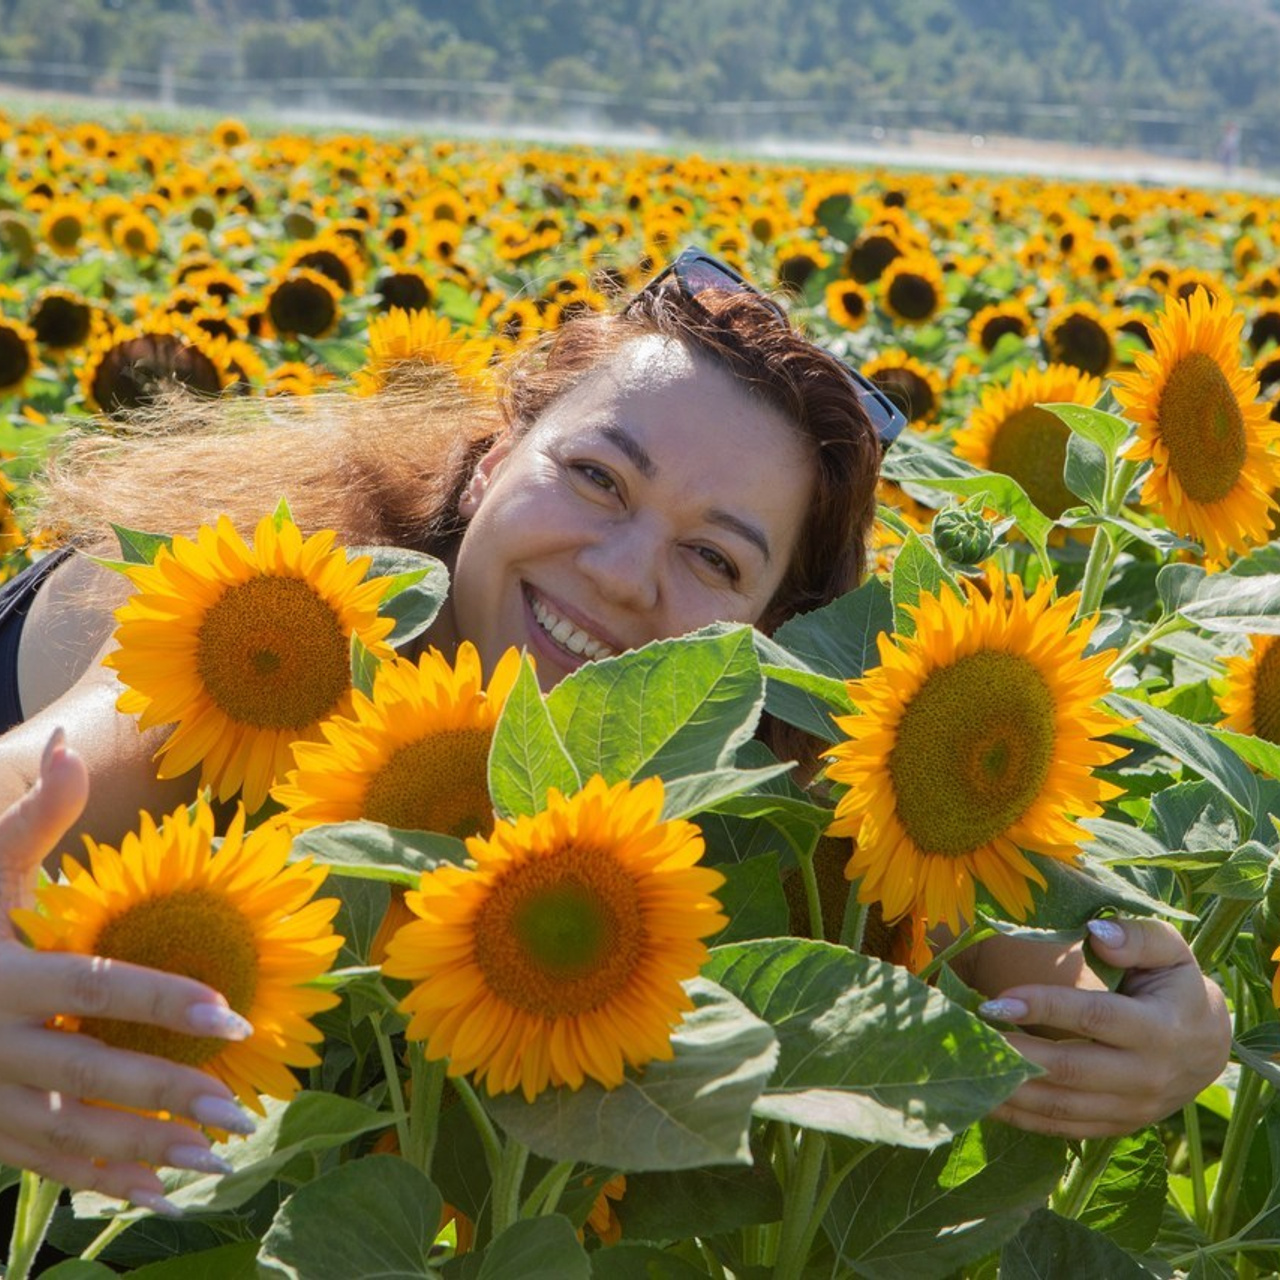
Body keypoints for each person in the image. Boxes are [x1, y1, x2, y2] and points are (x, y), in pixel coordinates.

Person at [0, 249, 1230, 1211]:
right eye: (596, 477)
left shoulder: (718, 771)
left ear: (768, 636)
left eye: (712, 554)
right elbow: (38, 786)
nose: (624, 571)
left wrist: (1171, 1026)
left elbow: (1007, 943)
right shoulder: (274, 637)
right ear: (488, 461)